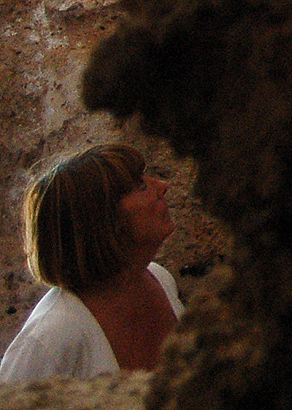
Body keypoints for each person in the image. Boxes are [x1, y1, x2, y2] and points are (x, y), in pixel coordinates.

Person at [0, 144, 182, 382]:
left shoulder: (160, 279)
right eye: (141, 186)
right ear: (102, 221)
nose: (163, 187)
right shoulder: (51, 338)